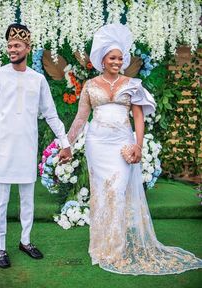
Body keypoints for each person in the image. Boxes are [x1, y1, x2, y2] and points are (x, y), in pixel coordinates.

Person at [67, 23, 202, 275]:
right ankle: (100, 247)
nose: (117, 61)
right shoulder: (90, 85)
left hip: (122, 144)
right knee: (100, 193)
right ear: (103, 59)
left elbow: (138, 117)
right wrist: (67, 144)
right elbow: (80, 118)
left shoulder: (132, 84)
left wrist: (138, 146)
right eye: (112, 58)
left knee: (117, 191)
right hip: (97, 144)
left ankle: (116, 250)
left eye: (120, 57)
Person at [0, 23, 71, 269]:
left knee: (27, 200)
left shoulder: (38, 79)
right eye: (9, 45)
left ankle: (25, 241)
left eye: (17, 45)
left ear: (27, 48)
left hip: (27, 148)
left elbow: (51, 114)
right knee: (1, 201)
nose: (12, 49)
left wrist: (64, 143)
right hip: (1, 150)